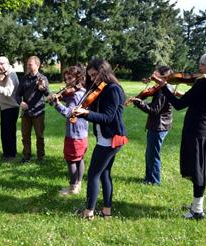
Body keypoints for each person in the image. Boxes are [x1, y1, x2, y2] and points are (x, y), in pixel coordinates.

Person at [151, 48, 206, 220]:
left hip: (195, 131)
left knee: (197, 172)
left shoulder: (205, 82)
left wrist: (164, 86)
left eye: (203, 64)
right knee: (200, 170)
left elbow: (179, 105)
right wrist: (187, 94)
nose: (200, 67)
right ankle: (197, 206)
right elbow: (203, 101)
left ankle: (197, 211)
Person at [72, 58, 128, 220]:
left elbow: (107, 117)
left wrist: (86, 113)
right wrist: (85, 109)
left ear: (104, 71)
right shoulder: (102, 89)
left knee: (93, 175)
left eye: (95, 74)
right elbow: (97, 109)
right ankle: (106, 210)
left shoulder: (113, 89)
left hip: (110, 139)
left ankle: (89, 212)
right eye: (90, 76)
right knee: (104, 173)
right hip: (107, 137)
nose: (93, 78)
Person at [126, 66, 175, 185]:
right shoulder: (165, 88)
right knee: (151, 154)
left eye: (156, 75)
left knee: (153, 155)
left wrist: (139, 102)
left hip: (159, 126)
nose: (153, 78)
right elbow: (156, 105)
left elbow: (154, 110)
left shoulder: (163, 90)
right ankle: (149, 178)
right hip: (160, 125)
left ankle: (153, 181)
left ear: (162, 76)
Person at [49, 64, 89, 195]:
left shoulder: (76, 95)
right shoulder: (83, 92)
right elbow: (67, 97)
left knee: (71, 160)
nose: (67, 81)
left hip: (74, 133)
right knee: (80, 158)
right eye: (66, 78)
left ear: (78, 78)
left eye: (70, 78)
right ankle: (78, 184)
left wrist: (56, 103)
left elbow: (69, 113)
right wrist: (60, 95)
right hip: (82, 133)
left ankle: (72, 188)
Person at [16, 56, 49, 163]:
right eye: (28, 64)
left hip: (38, 112)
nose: (28, 66)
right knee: (25, 136)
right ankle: (26, 156)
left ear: (37, 65)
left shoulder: (43, 79)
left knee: (39, 136)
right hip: (26, 112)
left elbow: (48, 94)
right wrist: (21, 103)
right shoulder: (24, 79)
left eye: (30, 64)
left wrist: (42, 88)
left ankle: (41, 157)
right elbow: (17, 94)